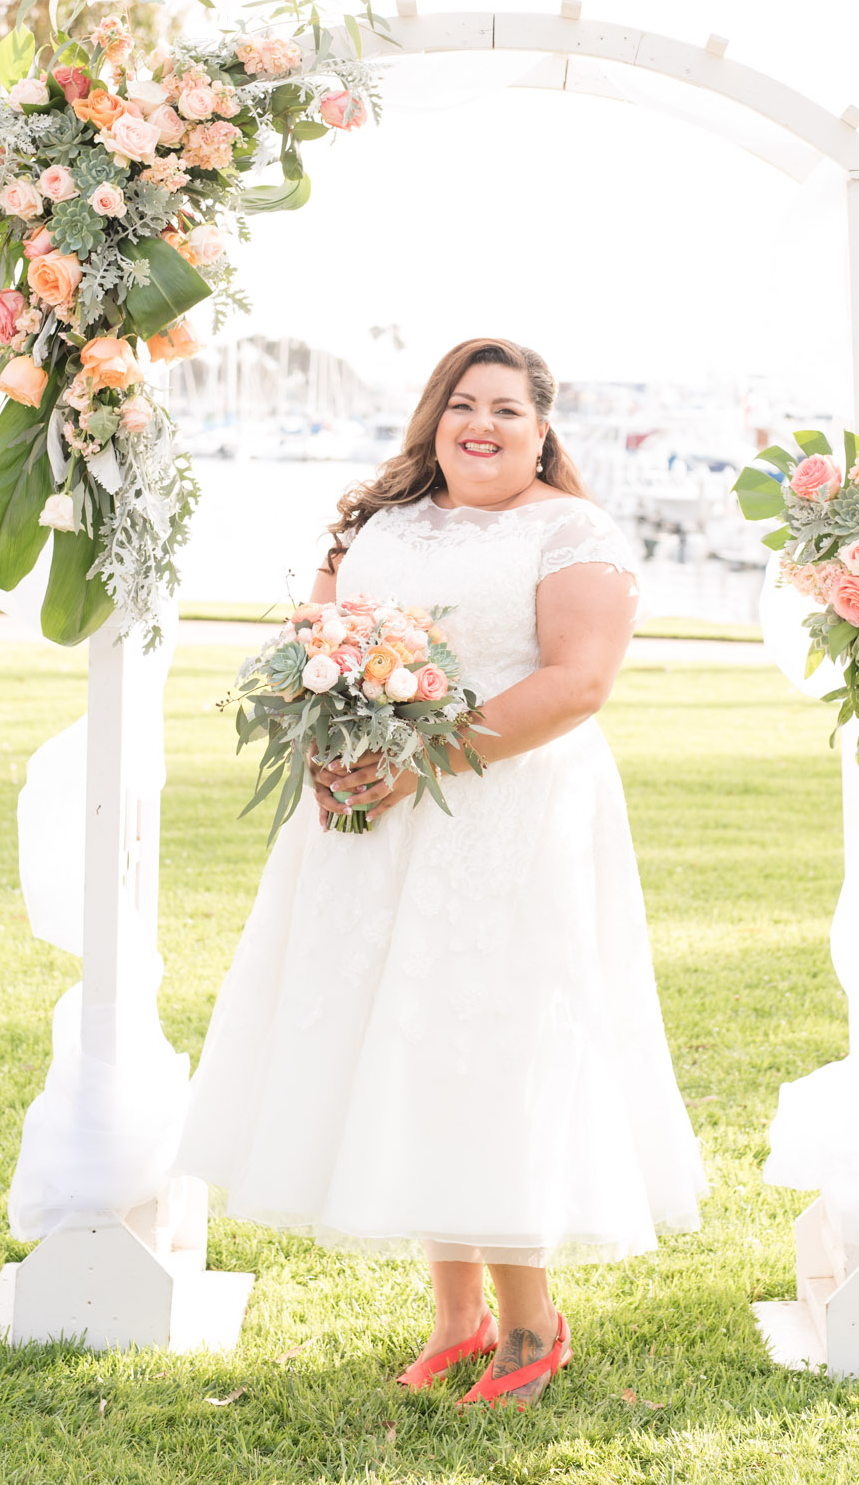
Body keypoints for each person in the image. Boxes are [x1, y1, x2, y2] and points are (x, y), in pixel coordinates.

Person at [174, 338, 705, 1405]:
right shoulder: (379, 522)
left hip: (501, 815)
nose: (482, 424)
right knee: (401, 1031)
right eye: (462, 404)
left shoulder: (572, 532)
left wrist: (415, 759)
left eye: (506, 409)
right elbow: (317, 645)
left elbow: (576, 681)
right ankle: (456, 1320)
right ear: (433, 416)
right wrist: (329, 750)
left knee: (484, 1040)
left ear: (541, 428)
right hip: (368, 817)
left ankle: (528, 1329)